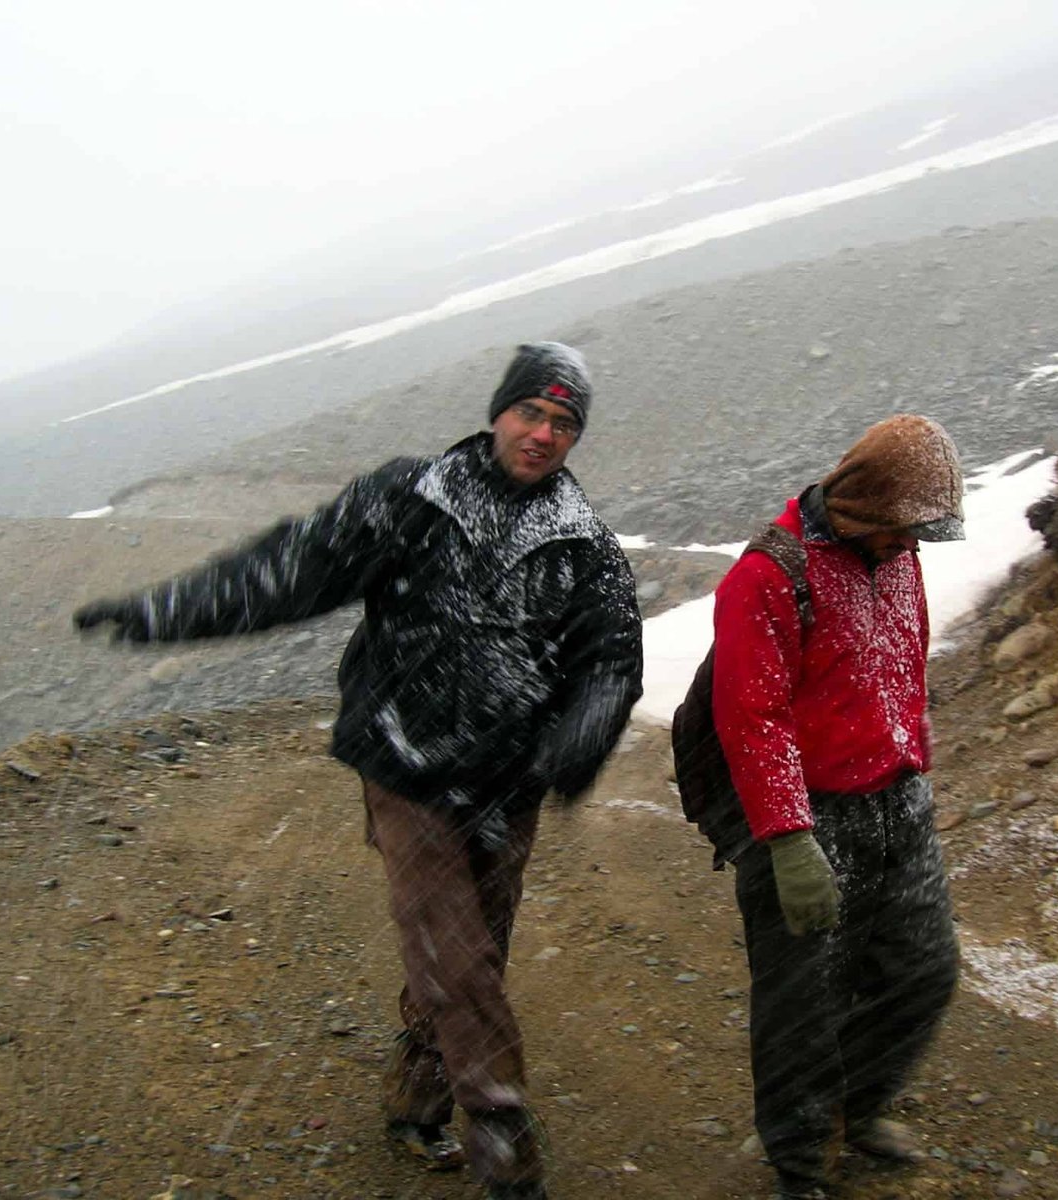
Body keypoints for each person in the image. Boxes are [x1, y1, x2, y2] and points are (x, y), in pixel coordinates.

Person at [74, 342, 643, 1200]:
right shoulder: (410, 497)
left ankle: (416, 1107)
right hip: (405, 764)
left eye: (564, 424)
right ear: (499, 411)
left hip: (505, 782)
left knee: (470, 957)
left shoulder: (583, 544)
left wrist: (578, 739)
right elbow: (288, 571)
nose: (543, 434)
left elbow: (612, 657)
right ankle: (507, 1156)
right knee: (456, 960)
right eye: (531, 412)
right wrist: (164, 612)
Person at [705, 414, 963, 1200]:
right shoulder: (766, 576)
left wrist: (908, 763)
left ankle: (860, 1102)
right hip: (811, 819)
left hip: (897, 802)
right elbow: (753, 718)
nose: (914, 547)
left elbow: (904, 665)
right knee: (802, 1001)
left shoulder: (896, 557)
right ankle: (800, 1161)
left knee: (924, 969)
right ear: (865, 506)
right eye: (905, 529)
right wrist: (787, 839)